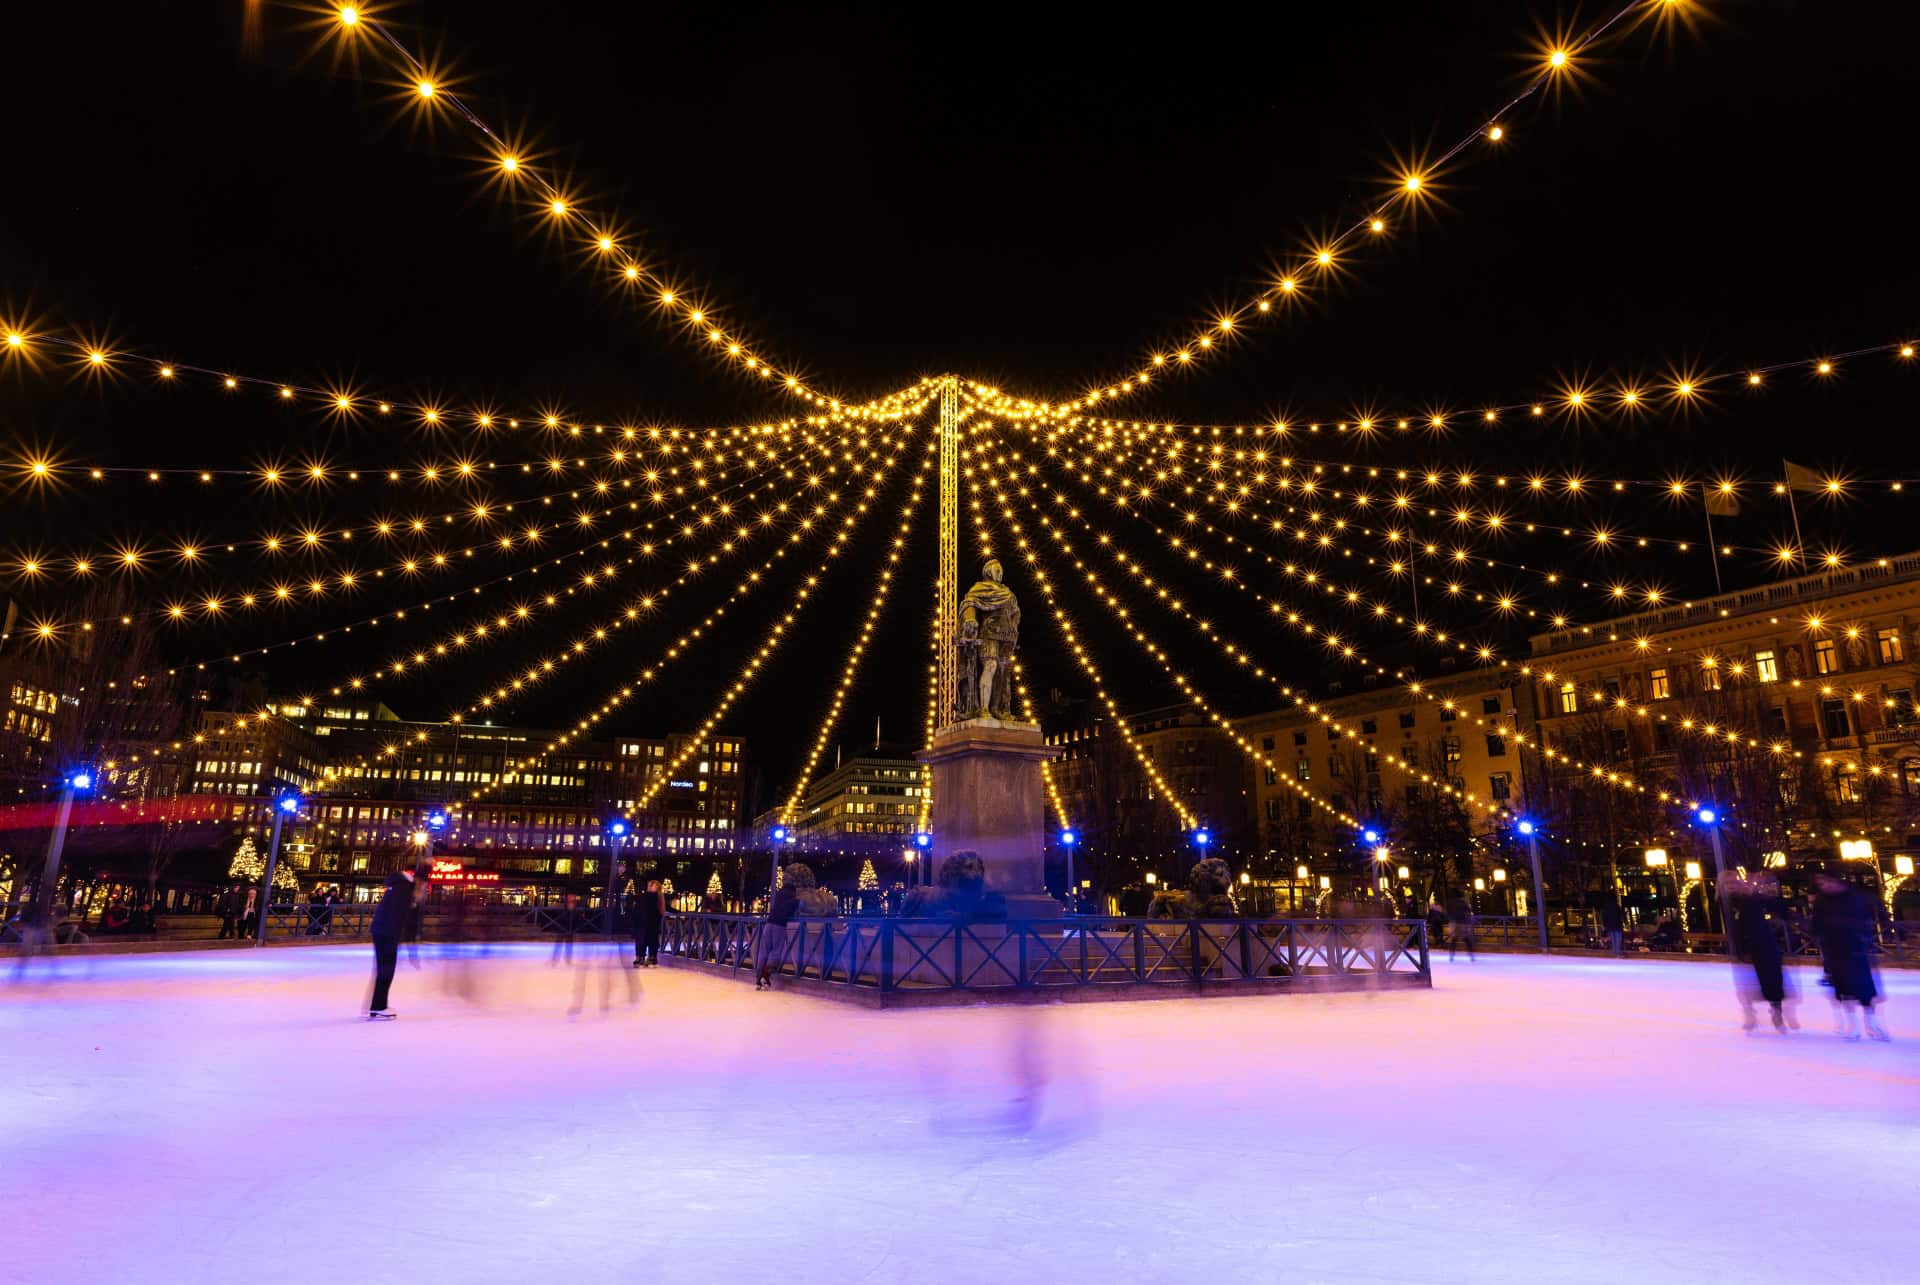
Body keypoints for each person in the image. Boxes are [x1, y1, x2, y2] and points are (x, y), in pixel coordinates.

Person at [1811, 873, 1889, 1041]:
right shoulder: (1821, 900)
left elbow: (1871, 915)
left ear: (1838, 880)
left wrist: (1865, 937)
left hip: (1856, 948)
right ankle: (1852, 1025)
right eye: (1821, 883)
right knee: (1843, 988)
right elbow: (1816, 923)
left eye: (1828, 881)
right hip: (1833, 949)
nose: (1825, 886)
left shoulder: (1855, 897)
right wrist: (1818, 938)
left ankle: (1871, 1024)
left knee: (1864, 988)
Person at [1729, 874, 1792, 1034]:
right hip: (1746, 948)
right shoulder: (1732, 902)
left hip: (1766, 946)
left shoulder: (1759, 900)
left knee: (1772, 979)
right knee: (1747, 984)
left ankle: (1776, 1010)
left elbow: (1781, 910)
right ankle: (1750, 1013)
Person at [367, 864, 422, 1020]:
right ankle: (378, 1007)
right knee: (386, 969)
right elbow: (403, 917)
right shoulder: (405, 888)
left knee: (383, 969)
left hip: (381, 930)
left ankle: (375, 1006)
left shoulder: (397, 885)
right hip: (388, 932)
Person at [757, 876, 799, 990]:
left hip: (769, 923)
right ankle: (765, 975)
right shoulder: (794, 899)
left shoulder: (779, 895)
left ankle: (758, 979)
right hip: (779, 925)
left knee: (764, 950)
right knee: (776, 951)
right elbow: (793, 911)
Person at [633, 878, 666, 967]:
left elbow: (638, 907)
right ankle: (644, 957)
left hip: (648, 922)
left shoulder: (655, 897)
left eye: (651, 885)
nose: (649, 887)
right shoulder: (654, 897)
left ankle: (645, 957)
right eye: (649, 885)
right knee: (646, 939)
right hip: (646, 922)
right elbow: (638, 908)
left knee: (645, 939)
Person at [1446, 894, 1476, 962]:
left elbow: (1447, 912)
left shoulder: (1450, 902)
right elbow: (1468, 911)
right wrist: (1468, 921)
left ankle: (1451, 955)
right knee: (1466, 939)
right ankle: (1471, 955)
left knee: (1454, 939)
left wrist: (1450, 919)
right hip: (1462, 922)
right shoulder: (1463, 903)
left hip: (1454, 922)